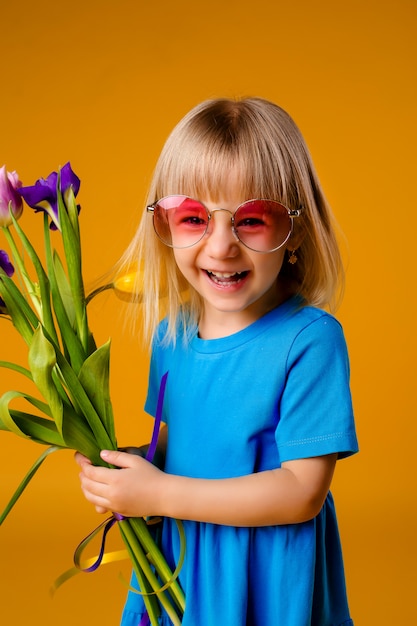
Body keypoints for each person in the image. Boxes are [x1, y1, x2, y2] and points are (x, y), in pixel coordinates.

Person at [76, 97, 358, 626]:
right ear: (164, 224)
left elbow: (302, 493)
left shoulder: (310, 341)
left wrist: (158, 491)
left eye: (252, 219)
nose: (222, 246)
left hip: (264, 574)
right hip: (180, 562)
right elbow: (178, 444)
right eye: (193, 218)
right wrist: (127, 470)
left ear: (294, 228)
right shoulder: (172, 337)